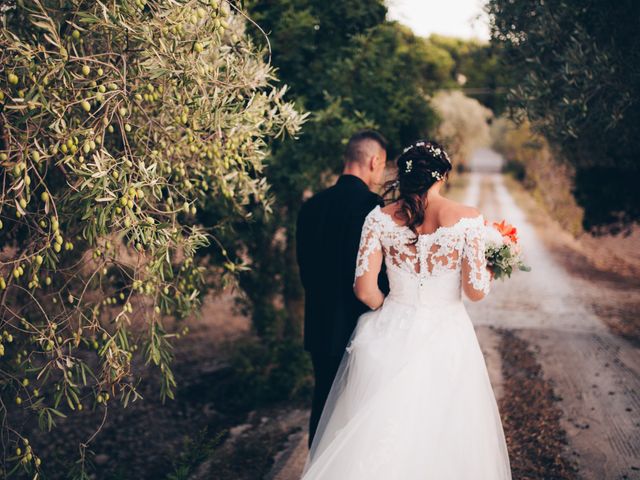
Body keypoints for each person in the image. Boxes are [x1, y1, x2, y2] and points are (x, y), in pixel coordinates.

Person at [300, 140, 512, 479]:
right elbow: (475, 292)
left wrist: (392, 307)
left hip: (392, 330)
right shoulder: (469, 219)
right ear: (443, 175)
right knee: (445, 431)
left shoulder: (378, 218)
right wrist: (489, 269)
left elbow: (364, 289)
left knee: (383, 426)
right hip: (448, 335)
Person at [296, 130, 389, 449]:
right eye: (383, 166)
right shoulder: (374, 209)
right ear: (375, 161)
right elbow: (380, 279)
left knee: (323, 406)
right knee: (358, 413)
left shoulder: (311, 207)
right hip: (359, 327)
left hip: (319, 326)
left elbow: (305, 270)